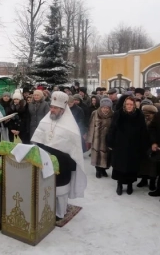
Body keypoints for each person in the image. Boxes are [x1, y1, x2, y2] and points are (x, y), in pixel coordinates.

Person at [31, 91, 87, 221]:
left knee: (61, 189)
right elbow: (38, 137)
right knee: (47, 187)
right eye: (51, 107)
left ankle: (60, 213)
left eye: (55, 108)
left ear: (63, 109)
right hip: (45, 160)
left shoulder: (70, 127)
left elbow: (74, 148)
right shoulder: (46, 121)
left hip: (63, 162)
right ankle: (47, 207)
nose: (52, 110)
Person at [107, 96, 149, 195]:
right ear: (124, 105)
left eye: (131, 104)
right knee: (120, 166)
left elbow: (143, 130)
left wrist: (144, 144)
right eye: (127, 104)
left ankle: (130, 184)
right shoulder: (118, 114)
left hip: (134, 145)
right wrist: (110, 142)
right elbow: (112, 128)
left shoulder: (139, 115)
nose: (129, 106)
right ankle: (119, 184)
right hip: (120, 144)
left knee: (132, 166)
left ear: (134, 105)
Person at [87, 97, 113, 178]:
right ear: (101, 107)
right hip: (97, 139)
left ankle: (103, 169)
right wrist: (89, 139)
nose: (105, 109)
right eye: (104, 107)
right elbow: (91, 126)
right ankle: (98, 170)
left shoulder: (113, 114)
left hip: (107, 139)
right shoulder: (95, 113)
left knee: (106, 156)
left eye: (107, 108)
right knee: (97, 155)